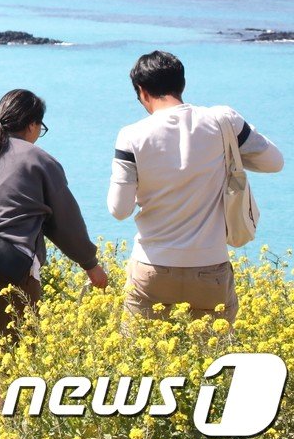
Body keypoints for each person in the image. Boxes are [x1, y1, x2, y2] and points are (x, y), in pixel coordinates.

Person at [0, 89, 107, 401]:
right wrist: (91, 264)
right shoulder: (37, 159)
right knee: (14, 373)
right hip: (2, 271)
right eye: (40, 127)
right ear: (31, 124)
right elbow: (65, 222)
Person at [109, 50, 283, 322]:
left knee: (140, 358)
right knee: (211, 360)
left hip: (152, 266)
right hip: (210, 267)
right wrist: (227, 152)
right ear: (182, 84)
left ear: (142, 92)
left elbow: (119, 210)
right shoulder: (223, 120)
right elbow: (274, 162)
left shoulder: (131, 136)